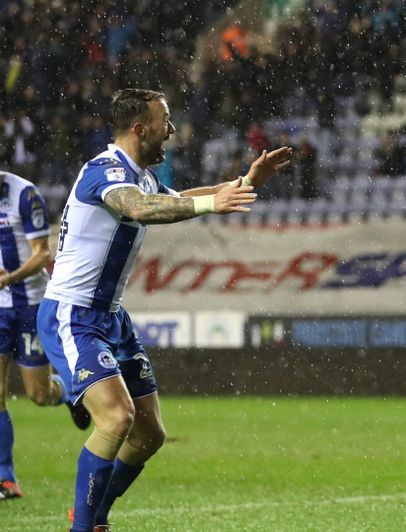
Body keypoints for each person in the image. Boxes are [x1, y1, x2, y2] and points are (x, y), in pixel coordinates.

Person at [36, 88, 292, 532]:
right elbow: (138, 208)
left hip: (112, 317)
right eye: (165, 121)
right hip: (73, 315)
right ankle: (85, 527)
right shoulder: (105, 171)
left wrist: (245, 183)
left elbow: (178, 197)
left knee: (149, 434)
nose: (171, 130)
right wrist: (211, 203)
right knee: (117, 418)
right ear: (140, 128)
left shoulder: (141, 176)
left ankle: (94, 515)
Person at [0, 170, 91, 501]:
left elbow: (42, 254)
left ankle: (65, 391)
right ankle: (6, 478)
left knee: (38, 395)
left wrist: (7, 279)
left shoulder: (24, 195)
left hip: (30, 306)